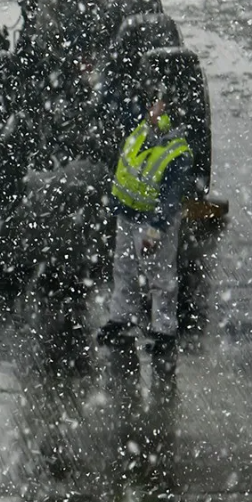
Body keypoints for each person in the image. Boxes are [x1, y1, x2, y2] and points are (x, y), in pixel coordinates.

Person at [96, 78, 193, 385]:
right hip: (127, 214)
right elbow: (121, 112)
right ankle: (120, 317)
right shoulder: (145, 130)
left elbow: (170, 198)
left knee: (160, 277)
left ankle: (164, 330)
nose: (153, 108)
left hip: (151, 223)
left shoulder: (177, 153)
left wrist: (155, 231)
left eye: (160, 104)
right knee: (123, 268)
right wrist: (98, 83)